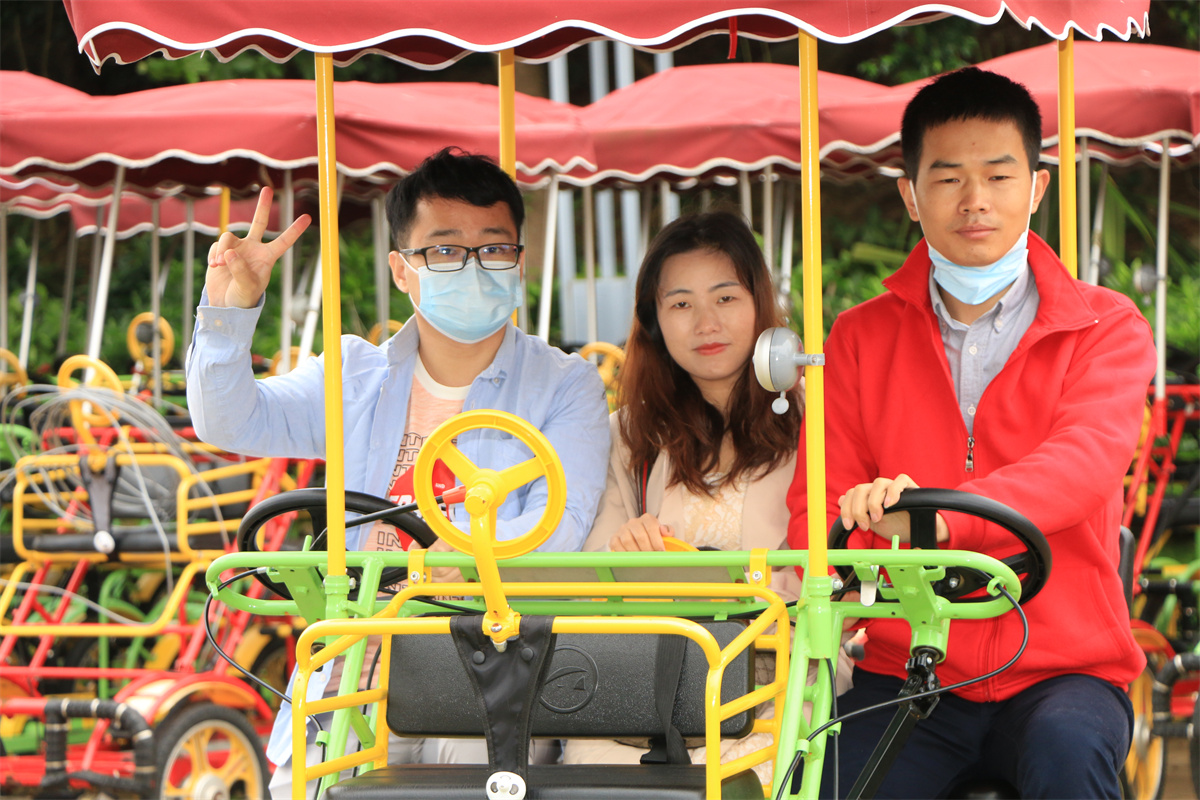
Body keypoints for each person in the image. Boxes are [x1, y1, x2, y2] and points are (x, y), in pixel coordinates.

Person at [186, 147, 610, 797]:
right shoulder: (353, 375)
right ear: (402, 271)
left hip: (488, 650)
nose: (472, 266)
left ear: (520, 262)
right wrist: (230, 312)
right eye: (445, 250)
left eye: (493, 248)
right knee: (310, 778)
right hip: (358, 642)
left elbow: (564, 519)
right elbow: (230, 422)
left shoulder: (565, 384)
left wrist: (469, 555)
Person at [787, 67, 1156, 798]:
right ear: (910, 196)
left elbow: (1081, 466)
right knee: (830, 781)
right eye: (949, 177)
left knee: (1068, 757)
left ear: (1037, 188)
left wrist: (930, 519)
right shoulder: (859, 337)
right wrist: (868, 535)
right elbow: (818, 512)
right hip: (908, 666)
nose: (975, 199)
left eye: (998, 175)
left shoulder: (1105, 327)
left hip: (1064, 672)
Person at [567, 211, 851, 781]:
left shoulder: (819, 419)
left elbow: (836, 567)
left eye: (725, 298)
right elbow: (593, 573)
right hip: (651, 682)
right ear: (653, 321)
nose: (706, 323)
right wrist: (627, 548)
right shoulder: (629, 436)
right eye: (681, 304)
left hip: (780, 675)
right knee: (588, 770)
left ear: (759, 305)